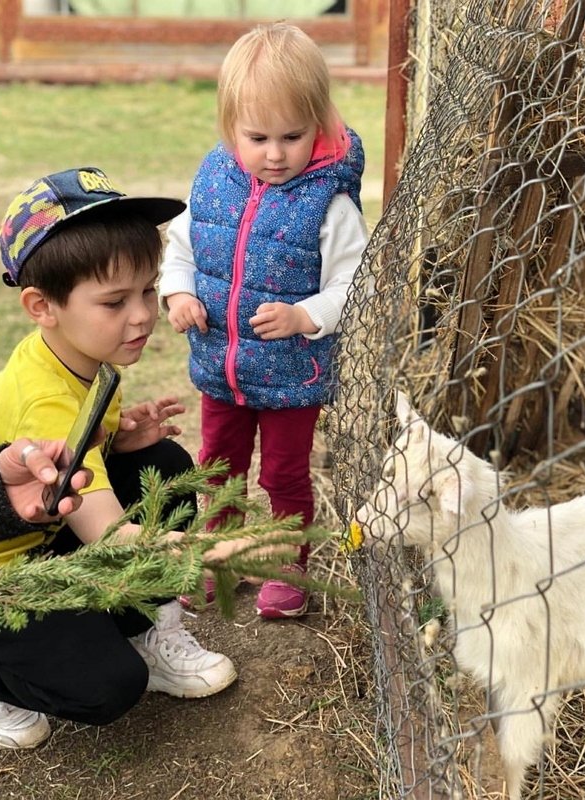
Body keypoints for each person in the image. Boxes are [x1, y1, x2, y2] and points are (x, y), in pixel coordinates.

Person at [0, 167, 238, 751]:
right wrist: (220, 550)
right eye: (115, 301)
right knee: (108, 687)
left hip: (45, 534)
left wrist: (116, 441)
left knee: (162, 461)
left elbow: (74, 454)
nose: (142, 315)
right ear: (43, 305)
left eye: (148, 290)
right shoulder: (43, 399)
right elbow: (110, 536)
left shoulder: (84, 356)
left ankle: (145, 628)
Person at [159, 22, 368, 619]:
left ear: (319, 126)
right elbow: (180, 249)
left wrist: (306, 314)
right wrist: (177, 294)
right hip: (220, 369)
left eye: (292, 136)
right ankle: (216, 555)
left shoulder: (328, 203)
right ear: (230, 130)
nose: (275, 154)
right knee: (218, 469)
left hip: (291, 379)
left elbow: (355, 283)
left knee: (282, 473)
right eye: (257, 137)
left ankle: (285, 562)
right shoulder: (213, 185)